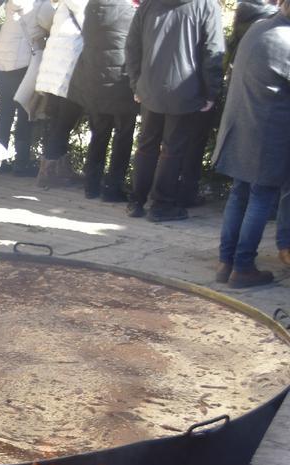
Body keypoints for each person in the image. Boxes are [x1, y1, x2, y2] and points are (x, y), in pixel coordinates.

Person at [210, 1, 290, 288]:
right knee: (260, 197)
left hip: (242, 126)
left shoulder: (259, 28)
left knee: (240, 194)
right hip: (267, 132)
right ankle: (243, 267)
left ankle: (226, 263)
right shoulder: (285, 39)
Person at [124, 0, 225, 222]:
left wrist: (136, 82)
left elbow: (132, 46)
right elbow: (213, 52)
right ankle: (161, 205)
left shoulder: (149, 4)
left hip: (151, 88)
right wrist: (211, 92)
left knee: (147, 144)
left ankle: (137, 201)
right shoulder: (206, 6)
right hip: (184, 91)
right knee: (173, 149)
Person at [67, 0, 139, 201]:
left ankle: (91, 185)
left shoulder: (92, 7)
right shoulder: (130, 13)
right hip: (121, 84)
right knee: (123, 136)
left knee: (98, 134)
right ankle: (113, 188)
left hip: (95, 81)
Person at [33, 0, 87, 188]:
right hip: (69, 72)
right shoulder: (82, 4)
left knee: (58, 121)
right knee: (64, 123)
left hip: (54, 71)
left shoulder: (64, 5)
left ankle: (57, 170)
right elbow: (92, 27)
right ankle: (48, 173)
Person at [0, 0, 43, 176]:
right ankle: (21, 163)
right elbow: (47, 24)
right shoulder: (39, 4)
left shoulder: (12, 3)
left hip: (1, 61)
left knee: (5, 112)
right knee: (25, 112)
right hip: (23, 62)